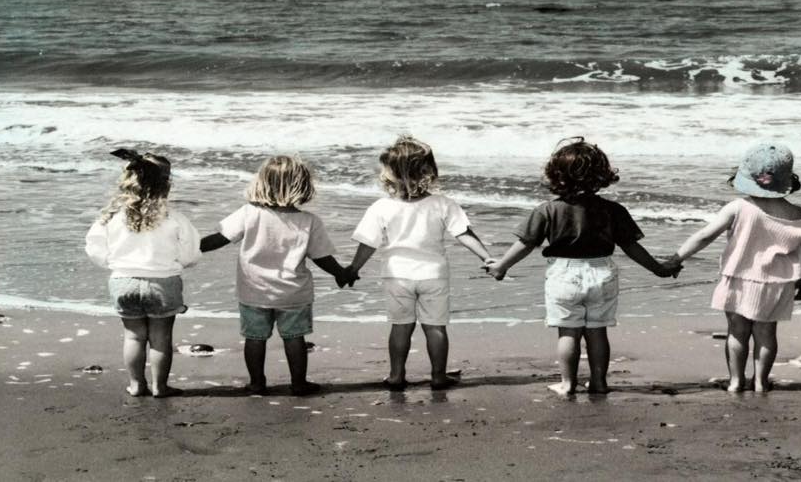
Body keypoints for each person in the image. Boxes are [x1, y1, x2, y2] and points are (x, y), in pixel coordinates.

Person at [485, 137, 680, 395]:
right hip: (602, 272)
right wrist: (659, 268)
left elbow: (526, 244)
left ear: (556, 175)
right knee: (597, 331)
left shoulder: (547, 210)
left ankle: (567, 384)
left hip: (563, 274)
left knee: (569, 331)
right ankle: (599, 383)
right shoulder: (613, 210)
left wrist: (501, 266)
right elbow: (631, 246)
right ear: (602, 174)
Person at [666, 143, 801, 393]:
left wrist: (676, 258)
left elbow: (705, 236)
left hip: (739, 277)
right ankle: (761, 382)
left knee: (737, 332)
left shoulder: (738, 207)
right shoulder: (797, 213)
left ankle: (736, 381)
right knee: (766, 334)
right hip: (777, 283)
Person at [346, 136, 491, 391]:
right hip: (433, 275)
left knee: (400, 327)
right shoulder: (443, 203)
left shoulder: (381, 207)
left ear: (390, 174)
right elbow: (464, 233)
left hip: (397, 276)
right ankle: (438, 376)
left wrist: (352, 269)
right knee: (435, 327)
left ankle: (396, 376)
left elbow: (368, 243)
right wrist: (486, 257)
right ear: (428, 171)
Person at [200, 155, 349, 396]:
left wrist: (191, 249)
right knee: (295, 338)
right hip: (293, 293)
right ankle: (298, 383)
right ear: (303, 186)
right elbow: (321, 257)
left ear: (262, 183)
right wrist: (341, 273)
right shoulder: (309, 221)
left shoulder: (249, 213)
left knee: (255, 338)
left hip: (254, 290)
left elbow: (220, 238)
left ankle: (257, 383)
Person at [85, 148, 201, 398]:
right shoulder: (174, 217)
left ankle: (137, 384)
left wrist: (113, 264)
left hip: (123, 281)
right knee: (161, 338)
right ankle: (160, 386)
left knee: (133, 336)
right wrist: (178, 264)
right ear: (166, 184)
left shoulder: (112, 216)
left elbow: (94, 248)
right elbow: (191, 253)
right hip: (163, 283)